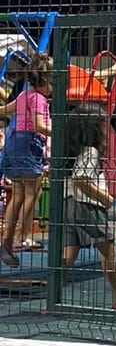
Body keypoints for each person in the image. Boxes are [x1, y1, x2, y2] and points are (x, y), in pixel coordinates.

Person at [62, 106, 116, 309]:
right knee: (108, 252)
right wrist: (105, 197)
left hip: (69, 203)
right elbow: (81, 178)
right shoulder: (90, 152)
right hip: (89, 207)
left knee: (67, 255)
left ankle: (52, 294)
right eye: (101, 126)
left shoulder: (71, 150)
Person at [1, 53, 52, 266]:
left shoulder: (24, 96)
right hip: (29, 143)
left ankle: (7, 241)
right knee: (34, 190)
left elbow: (5, 109)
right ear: (45, 80)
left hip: (14, 143)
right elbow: (39, 124)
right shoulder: (39, 99)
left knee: (20, 192)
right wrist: (56, 132)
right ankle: (21, 235)